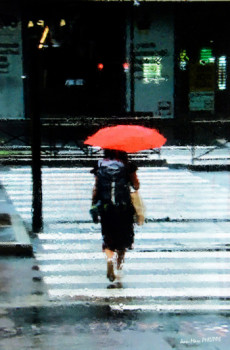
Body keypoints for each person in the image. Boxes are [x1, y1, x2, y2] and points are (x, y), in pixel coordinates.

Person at [90, 149, 140, 286]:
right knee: (124, 238)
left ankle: (109, 261)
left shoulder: (100, 165)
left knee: (108, 237)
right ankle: (118, 267)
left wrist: (93, 204)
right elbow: (136, 185)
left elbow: (95, 188)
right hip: (124, 208)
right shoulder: (128, 166)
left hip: (106, 208)